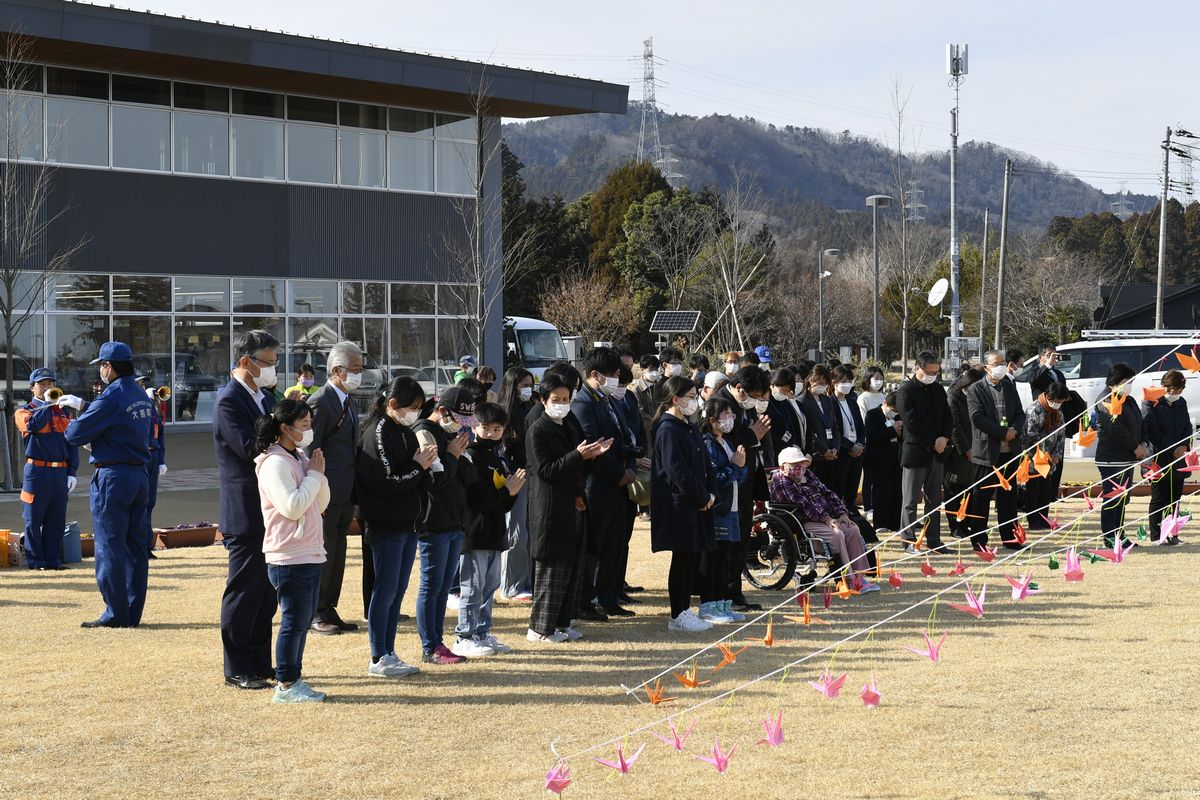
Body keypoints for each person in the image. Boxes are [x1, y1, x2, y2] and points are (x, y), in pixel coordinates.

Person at [62, 341, 154, 628]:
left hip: (113, 476)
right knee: (136, 547)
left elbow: (74, 434)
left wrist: (80, 412)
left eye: (102, 365)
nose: (101, 370)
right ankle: (131, 612)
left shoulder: (111, 396)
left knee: (110, 546)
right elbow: (119, 420)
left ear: (108, 366)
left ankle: (115, 613)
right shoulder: (139, 393)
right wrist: (90, 407)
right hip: (140, 475)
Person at [355, 377, 437, 676]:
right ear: (393, 405)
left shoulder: (403, 431)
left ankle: (389, 651)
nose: (415, 412)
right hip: (385, 522)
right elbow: (385, 480)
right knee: (385, 590)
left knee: (397, 590)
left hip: (407, 522)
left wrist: (424, 467)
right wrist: (419, 467)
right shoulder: (378, 432)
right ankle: (379, 656)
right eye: (412, 407)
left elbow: (416, 473)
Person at [213, 330, 280, 687]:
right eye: (267, 363)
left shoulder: (264, 398)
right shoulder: (229, 400)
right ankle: (237, 666)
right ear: (246, 362)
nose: (272, 369)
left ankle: (259, 662)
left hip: (271, 507)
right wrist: (281, 438)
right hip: (244, 509)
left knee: (266, 592)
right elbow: (248, 446)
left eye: (274, 362)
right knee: (243, 590)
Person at [252, 399, 330, 704]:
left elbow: (318, 503)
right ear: (285, 428)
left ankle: (292, 677)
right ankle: (286, 683)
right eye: (304, 424)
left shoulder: (297, 456)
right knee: (293, 620)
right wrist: (314, 475)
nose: (309, 430)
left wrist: (316, 474)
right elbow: (292, 505)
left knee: (302, 619)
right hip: (288, 554)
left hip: (308, 550)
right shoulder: (274, 463)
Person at [526, 374, 611, 643]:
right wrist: (578, 455)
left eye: (565, 399)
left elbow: (579, 466)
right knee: (552, 569)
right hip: (551, 507)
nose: (562, 404)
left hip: (574, 502)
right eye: (556, 400)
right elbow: (546, 470)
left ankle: (562, 623)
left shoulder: (568, 425)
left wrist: (593, 456)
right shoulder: (537, 430)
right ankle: (540, 628)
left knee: (572, 568)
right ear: (543, 400)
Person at [455, 402, 527, 656]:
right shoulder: (470, 456)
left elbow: (504, 501)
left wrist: (511, 492)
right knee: (472, 587)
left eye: (497, 429)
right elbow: (477, 498)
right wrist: (506, 491)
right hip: (475, 533)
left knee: (490, 586)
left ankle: (482, 632)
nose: (491, 434)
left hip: (495, 532)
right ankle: (464, 635)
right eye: (485, 428)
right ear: (474, 427)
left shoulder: (498, 457)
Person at [571, 347, 636, 619]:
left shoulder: (606, 400)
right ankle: (586, 600)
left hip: (617, 483)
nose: (615, 381)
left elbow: (620, 439)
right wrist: (619, 473)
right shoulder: (583, 403)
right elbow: (592, 446)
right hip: (597, 484)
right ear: (595, 374)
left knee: (614, 543)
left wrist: (630, 464)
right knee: (593, 546)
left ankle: (609, 596)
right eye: (612, 375)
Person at [411, 385, 474, 662]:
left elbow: (467, 476)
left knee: (444, 583)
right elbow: (436, 479)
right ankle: (430, 646)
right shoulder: (424, 431)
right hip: (433, 519)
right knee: (432, 585)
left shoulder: (452, 434)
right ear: (442, 411)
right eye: (459, 418)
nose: (463, 425)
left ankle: (438, 642)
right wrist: (452, 455)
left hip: (453, 518)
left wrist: (458, 454)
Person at [650, 376, 717, 632]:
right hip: (679, 504)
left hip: (696, 501)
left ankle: (685, 610)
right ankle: (677, 613)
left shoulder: (687, 425)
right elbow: (677, 470)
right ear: (676, 399)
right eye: (690, 396)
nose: (695, 401)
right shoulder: (667, 428)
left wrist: (710, 493)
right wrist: (700, 497)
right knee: (682, 558)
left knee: (690, 557)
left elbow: (703, 464)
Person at [305, 341, 363, 636]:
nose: (358, 375)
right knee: (324, 552)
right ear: (337, 370)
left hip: (345, 491)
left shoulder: (346, 400)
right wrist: (316, 487)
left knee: (338, 551)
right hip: (326, 492)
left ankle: (329, 607)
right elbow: (310, 448)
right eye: (354, 369)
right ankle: (316, 611)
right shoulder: (321, 401)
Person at [769, 447, 878, 591]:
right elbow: (803, 505)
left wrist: (842, 513)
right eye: (795, 465)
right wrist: (827, 519)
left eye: (801, 464)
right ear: (783, 466)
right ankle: (848, 580)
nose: (800, 468)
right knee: (837, 534)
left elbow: (828, 493)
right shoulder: (780, 481)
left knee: (852, 529)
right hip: (804, 521)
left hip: (825, 517)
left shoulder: (807, 474)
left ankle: (860, 576)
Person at [714, 366, 773, 612]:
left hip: (748, 478)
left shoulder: (746, 406)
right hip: (728, 480)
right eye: (755, 395)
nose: (757, 401)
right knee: (727, 541)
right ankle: (722, 593)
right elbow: (723, 438)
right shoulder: (720, 403)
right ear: (740, 388)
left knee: (741, 538)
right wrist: (751, 435)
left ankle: (735, 592)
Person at [15, 367, 79, 571]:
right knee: (33, 518)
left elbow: (72, 443)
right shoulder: (24, 410)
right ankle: (36, 561)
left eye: (50, 384)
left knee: (56, 518)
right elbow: (32, 425)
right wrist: (48, 405)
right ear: (32, 387)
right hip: (36, 471)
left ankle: (53, 560)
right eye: (42, 384)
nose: (46, 387)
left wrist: (72, 472)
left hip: (59, 471)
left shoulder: (64, 412)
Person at [965, 350, 1028, 551]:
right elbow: (977, 417)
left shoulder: (1009, 386)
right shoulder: (976, 389)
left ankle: (1010, 538)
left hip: (1010, 451)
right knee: (981, 498)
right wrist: (1002, 433)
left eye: (1002, 362)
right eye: (996, 363)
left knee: (1008, 498)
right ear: (986, 367)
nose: (1001, 366)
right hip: (986, 453)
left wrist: (1014, 430)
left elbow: (1019, 412)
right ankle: (978, 540)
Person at [893, 352, 952, 554]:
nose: (932, 375)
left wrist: (944, 438)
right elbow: (911, 423)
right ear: (917, 368)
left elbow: (947, 415)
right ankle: (908, 541)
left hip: (938, 452)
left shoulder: (938, 389)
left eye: (936, 372)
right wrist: (933, 441)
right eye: (929, 371)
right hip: (916, 452)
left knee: (934, 500)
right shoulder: (905, 391)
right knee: (910, 500)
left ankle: (934, 540)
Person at [699, 396, 749, 624]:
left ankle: (723, 604)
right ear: (712, 420)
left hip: (732, 507)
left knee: (725, 560)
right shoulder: (707, 444)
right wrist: (735, 466)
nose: (730, 420)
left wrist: (739, 466)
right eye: (725, 415)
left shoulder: (725, 441)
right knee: (714, 560)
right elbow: (715, 478)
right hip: (718, 509)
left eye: (732, 415)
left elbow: (741, 472)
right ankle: (709, 606)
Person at [1095, 363, 1147, 549]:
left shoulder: (1129, 400)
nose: (1129, 385)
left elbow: (1141, 423)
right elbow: (1114, 428)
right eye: (1127, 381)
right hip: (1112, 457)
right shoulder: (1105, 399)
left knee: (1123, 498)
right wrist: (1134, 446)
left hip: (1127, 457)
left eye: (1131, 381)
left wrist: (1143, 443)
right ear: (1115, 381)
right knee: (1113, 497)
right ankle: (1110, 536)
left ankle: (1120, 534)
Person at [498, 367, 536, 600]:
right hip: (514, 478)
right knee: (516, 533)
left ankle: (526, 580)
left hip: (532, 477)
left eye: (530, 384)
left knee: (529, 532)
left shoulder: (531, 408)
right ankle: (511, 584)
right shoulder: (504, 414)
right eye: (523, 385)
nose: (528, 389)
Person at [1143, 369, 1190, 545]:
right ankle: (1157, 536)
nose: (1176, 394)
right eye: (1174, 391)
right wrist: (1172, 448)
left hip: (1179, 457)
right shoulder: (1151, 402)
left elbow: (1187, 426)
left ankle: (1173, 534)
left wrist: (1184, 446)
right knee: (1159, 498)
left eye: (1180, 391)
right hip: (1158, 457)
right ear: (1165, 387)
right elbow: (1152, 431)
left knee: (1175, 498)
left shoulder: (1181, 402)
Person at [616, 364, 651, 601]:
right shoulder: (604, 402)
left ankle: (620, 581)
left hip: (634, 464)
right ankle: (610, 585)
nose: (622, 389)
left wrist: (640, 454)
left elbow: (637, 428)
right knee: (614, 537)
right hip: (621, 470)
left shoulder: (627, 398)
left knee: (624, 535)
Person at [1021, 381, 1071, 529]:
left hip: (1050, 459)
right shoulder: (1035, 409)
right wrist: (1045, 453)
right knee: (1033, 490)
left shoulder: (1057, 412)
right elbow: (1030, 435)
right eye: (1058, 401)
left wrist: (1057, 454)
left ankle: (1044, 518)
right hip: (1034, 458)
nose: (1059, 404)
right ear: (1049, 397)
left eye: (1061, 402)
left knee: (1046, 490)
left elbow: (1062, 434)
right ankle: (1033, 520)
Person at [945, 367, 985, 537]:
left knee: (971, 488)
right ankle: (955, 526)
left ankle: (967, 523)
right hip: (957, 452)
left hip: (977, 447)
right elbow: (954, 426)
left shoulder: (978, 397)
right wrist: (966, 449)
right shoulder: (953, 397)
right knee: (954, 491)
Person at [134, 374, 167, 558]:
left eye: (143, 383)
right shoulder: (133, 407)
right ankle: (139, 545)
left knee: (150, 502)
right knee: (140, 501)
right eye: (138, 383)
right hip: (140, 456)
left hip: (153, 455)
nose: (142, 386)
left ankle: (147, 544)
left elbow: (159, 433)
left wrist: (161, 459)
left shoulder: (150, 406)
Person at [863, 391, 902, 532]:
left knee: (896, 491)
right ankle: (880, 523)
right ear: (885, 404)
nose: (894, 413)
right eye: (892, 410)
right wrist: (892, 430)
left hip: (894, 458)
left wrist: (899, 433)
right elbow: (872, 437)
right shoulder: (873, 415)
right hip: (877, 459)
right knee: (881, 492)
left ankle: (895, 523)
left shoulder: (898, 416)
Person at [800, 364, 841, 491]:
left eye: (824, 383)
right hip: (816, 456)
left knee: (831, 490)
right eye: (819, 381)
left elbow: (835, 426)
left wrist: (835, 447)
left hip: (831, 454)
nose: (822, 385)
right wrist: (823, 450)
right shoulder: (802, 400)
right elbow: (808, 431)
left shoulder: (827, 400)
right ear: (810, 379)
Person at [831, 365, 866, 513]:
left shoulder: (852, 401)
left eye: (849, 380)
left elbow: (861, 426)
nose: (847, 384)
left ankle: (852, 514)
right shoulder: (830, 402)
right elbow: (835, 430)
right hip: (841, 452)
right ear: (834, 381)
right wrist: (850, 446)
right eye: (844, 380)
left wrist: (860, 444)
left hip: (857, 452)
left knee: (852, 490)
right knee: (839, 489)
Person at [856, 366, 886, 518]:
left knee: (881, 477)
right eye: (875, 378)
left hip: (884, 440)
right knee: (869, 477)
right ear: (867, 379)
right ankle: (869, 507)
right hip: (869, 442)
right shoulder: (863, 398)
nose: (878, 381)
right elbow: (863, 421)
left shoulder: (883, 397)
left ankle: (880, 505)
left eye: (880, 378)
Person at [766, 367, 808, 456]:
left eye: (787, 392)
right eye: (783, 391)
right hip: (775, 450)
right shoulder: (766, 402)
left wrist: (794, 445)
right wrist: (786, 446)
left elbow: (791, 425)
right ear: (772, 385)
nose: (785, 394)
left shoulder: (785, 401)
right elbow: (770, 432)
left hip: (789, 447)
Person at [631, 354, 662, 450]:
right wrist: (656, 422)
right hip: (647, 432)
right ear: (642, 369)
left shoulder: (660, 387)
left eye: (656, 369)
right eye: (651, 369)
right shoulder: (636, 390)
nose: (654, 372)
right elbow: (640, 413)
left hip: (661, 429)